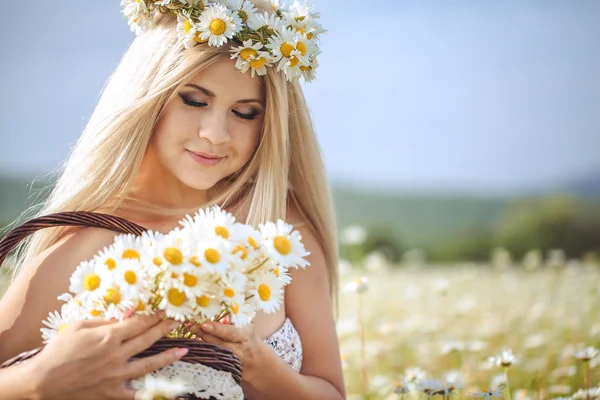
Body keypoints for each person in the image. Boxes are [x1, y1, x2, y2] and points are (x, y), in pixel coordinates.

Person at [0, 0, 345, 399]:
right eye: (194, 100)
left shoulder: (280, 235)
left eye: (245, 113)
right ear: (150, 96)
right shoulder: (81, 244)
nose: (216, 133)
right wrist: (39, 379)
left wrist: (254, 361)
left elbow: (332, 393)